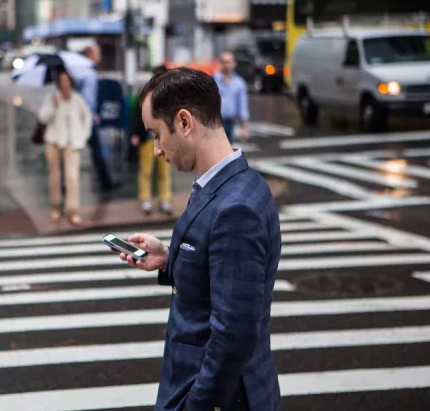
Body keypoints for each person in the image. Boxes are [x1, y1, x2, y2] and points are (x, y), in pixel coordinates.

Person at [115, 67, 281, 411]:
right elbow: (221, 278)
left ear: (185, 122)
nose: (157, 150)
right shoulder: (238, 183)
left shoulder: (236, 210)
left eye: (157, 134)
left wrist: (195, 405)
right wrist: (169, 257)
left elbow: (233, 335)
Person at [38, 67, 92, 226]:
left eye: (67, 81)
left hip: (72, 143)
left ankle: (73, 210)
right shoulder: (52, 98)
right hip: (53, 141)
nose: (65, 84)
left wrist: (83, 137)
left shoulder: (78, 99)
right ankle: (56, 206)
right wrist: (53, 105)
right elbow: (42, 118)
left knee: (72, 177)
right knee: (54, 177)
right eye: (62, 81)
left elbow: (86, 119)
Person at [131, 65, 172, 215]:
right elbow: (137, 114)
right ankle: (146, 199)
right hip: (147, 137)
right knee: (145, 170)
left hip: (164, 138)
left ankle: (164, 199)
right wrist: (135, 133)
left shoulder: (170, 96)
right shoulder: (145, 93)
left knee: (164, 170)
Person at [80, 43, 118, 190]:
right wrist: (92, 114)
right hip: (86, 117)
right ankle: (105, 182)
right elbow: (87, 97)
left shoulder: (89, 71)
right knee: (95, 150)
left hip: (88, 116)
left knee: (96, 150)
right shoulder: (86, 72)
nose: (99, 56)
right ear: (89, 55)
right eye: (97, 53)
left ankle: (105, 181)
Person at [214, 52, 250, 144]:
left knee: (229, 151)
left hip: (231, 122)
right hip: (215, 122)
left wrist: (244, 127)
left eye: (229, 62)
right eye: (224, 62)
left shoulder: (239, 83)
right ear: (220, 63)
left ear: (234, 64)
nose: (226, 65)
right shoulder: (213, 81)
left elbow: (242, 106)